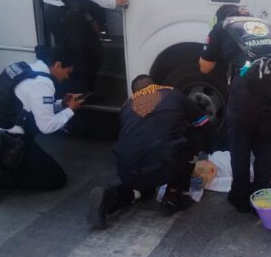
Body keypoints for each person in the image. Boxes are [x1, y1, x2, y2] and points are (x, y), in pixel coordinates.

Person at [88, 75, 215, 228]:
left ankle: (110, 196)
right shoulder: (173, 94)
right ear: (154, 85)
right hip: (165, 166)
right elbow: (204, 124)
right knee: (194, 137)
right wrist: (211, 149)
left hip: (127, 171)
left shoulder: (127, 106)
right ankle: (173, 196)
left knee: (142, 188)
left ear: (135, 92)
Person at [199, 5, 271, 213]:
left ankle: (240, 197)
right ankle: (262, 194)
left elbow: (204, 67)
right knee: (266, 147)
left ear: (221, 17)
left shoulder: (222, 25)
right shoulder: (266, 24)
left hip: (247, 87)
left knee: (240, 144)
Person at [0, 47, 84, 203]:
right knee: (57, 178)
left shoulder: (23, 68)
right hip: (9, 145)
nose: (67, 76)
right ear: (57, 65)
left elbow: (32, 106)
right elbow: (47, 126)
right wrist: (71, 111)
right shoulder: (42, 84)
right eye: (68, 71)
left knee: (37, 166)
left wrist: (62, 104)